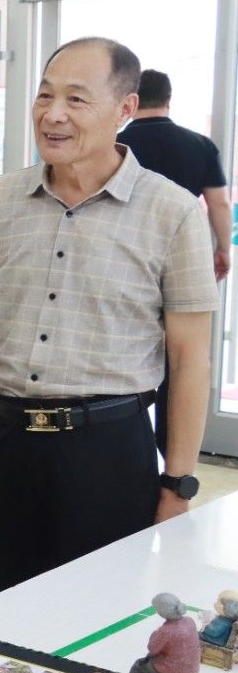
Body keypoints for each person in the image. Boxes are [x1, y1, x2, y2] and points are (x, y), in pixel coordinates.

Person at [0, 38, 217, 601]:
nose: (53, 114)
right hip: (3, 444)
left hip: (108, 454)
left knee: (92, 620)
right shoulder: (0, 199)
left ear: (125, 109)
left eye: (76, 99)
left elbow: (190, 357)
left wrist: (178, 484)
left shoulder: (170, 211)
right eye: (44, 96)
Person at [116, 68, 230, 456]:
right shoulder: (199, 145)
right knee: (182, 356)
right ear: (168, 99)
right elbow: (219, 203)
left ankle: (124, 442)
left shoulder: (116, 145)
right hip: (182, 258)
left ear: (131, 99)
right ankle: (171, 450)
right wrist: (222, 249)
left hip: (125, 258)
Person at [123, 594, 201, 673]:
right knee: (152, 659)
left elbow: (152, 649)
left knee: (139, 665)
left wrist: (156, 632)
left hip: (175, 671)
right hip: (192, 667)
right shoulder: (189, 621)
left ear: (162, 612)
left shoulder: (166, 630)